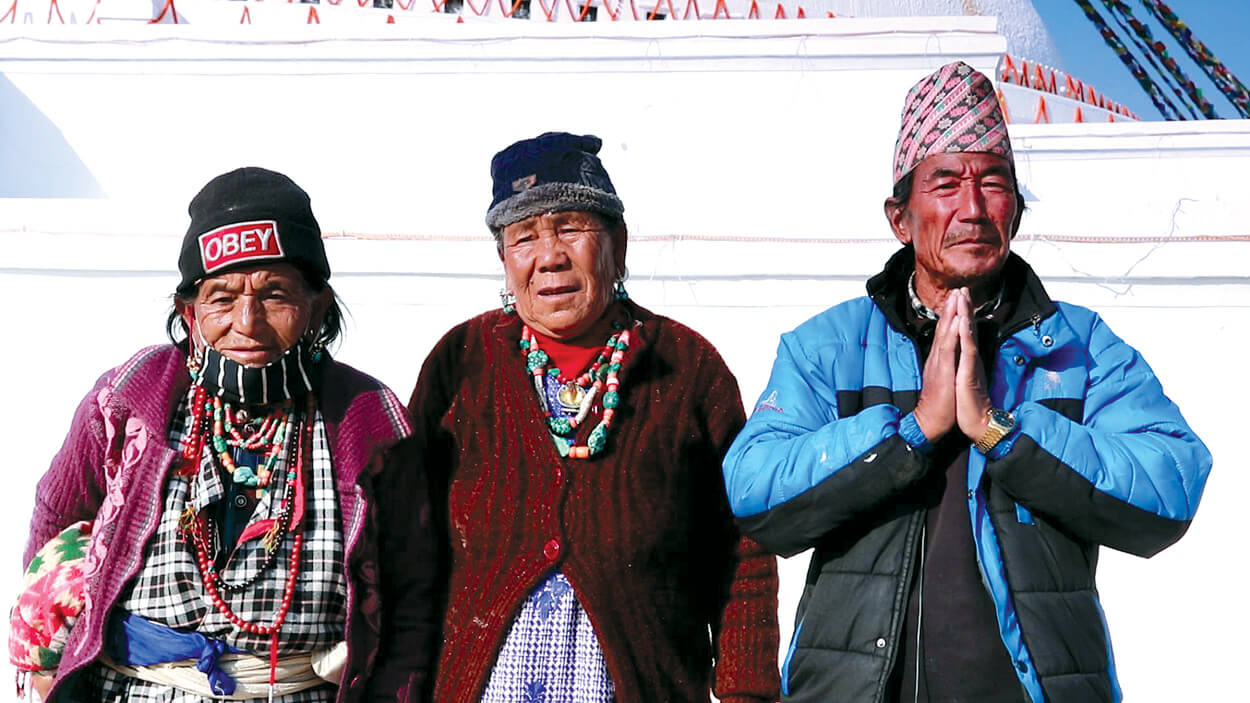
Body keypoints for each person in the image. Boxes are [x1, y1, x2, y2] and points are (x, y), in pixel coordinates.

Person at [721, 62, 1212, 703]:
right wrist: (913, 432)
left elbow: (1169, 483)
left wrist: (1000, 432)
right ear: (901, 217)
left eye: (993, 184)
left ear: (1017, 213)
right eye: (945, 183)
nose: (972, 209)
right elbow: (755, 491)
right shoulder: (828, 348)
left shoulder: (1077, 347)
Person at [18, 167, 436, 702]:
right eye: (221, 297)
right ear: (188, 312)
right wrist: (46, 659)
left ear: (318, 306)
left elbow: (412, 601)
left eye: (275, 293)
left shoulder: (372, 422)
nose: (248, 321)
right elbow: (59, 522)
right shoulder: (132, 399)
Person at [407, 132, 780, 703]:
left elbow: (743, 546)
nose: (550, 255)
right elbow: (407, 541)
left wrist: (745, 692)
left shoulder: (685, 368)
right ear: (504, 260)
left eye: (571, 228)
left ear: (618, 244)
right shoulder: (462, 363)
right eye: (524, 237)